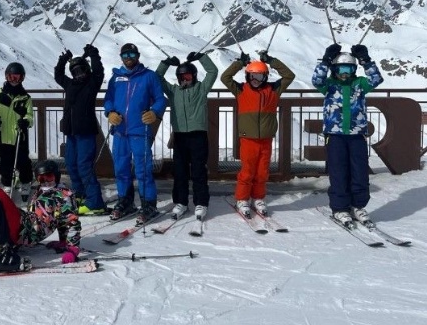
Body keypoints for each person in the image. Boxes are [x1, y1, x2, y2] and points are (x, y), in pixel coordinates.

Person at [312, 43, 383, 225]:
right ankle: (340, 208)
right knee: (339, 172)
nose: (345, 74)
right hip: (335, 136)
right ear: (335, 69)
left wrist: (366, 61)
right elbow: (317, 80)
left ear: (354, 70)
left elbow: (376, 79)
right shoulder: (329, 85)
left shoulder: (359, 84)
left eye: (349, 69)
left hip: (357, 136)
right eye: (341, 69)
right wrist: (326, 60)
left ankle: (358, 205)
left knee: (360, 172)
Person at [220, 51, 295, 217]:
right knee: (247, 171)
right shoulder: (241, 90)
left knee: (262, 172)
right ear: (247, 77)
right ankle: (242, 199)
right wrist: (240, 63)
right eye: (252, 76)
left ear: (265, 77)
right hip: (248, 139)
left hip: (266, 139)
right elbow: (225, 78)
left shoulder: (273, 90)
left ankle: (258, 198)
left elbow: (289, 75)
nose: (255, 80)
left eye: (259, 77)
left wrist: (271, 60)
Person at [103, 43, 167, 224]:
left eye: (132, 53)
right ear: (121, 57)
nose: (128, 57)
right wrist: (110, 113)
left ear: (138, 55)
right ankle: (125, 201)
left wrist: (154, 112)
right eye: (125, 54)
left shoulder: (149, 76)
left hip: (140, 130)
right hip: (121, 131)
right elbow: (108, 99)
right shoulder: (115, 78)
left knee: (143, 169)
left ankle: (149, 204)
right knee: (121, 169)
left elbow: (161, 99)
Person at [156, 51, 218, 221]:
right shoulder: (173, 91)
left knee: (198, 170)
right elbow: (157, 78)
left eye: (188, 75)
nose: (185, 79)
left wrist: (202, 58)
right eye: (181, 76)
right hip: (180, 137)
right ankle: (181, 202)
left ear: (194, 76)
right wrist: (166, 62)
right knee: (180, 171)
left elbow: (213, 72)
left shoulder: (201, 88)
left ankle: (201, 203)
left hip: (198, 136)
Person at [54, 44, 107, 215]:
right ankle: (81, 196)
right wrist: (62, 60)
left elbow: (99, 72)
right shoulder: (70, 84)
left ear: (87, 69)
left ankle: (95, 202)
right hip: (71, 132)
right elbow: (58, 75)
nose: (79, 74)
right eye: (75, 72)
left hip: (86, 132)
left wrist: (94, 55)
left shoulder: (92, 83)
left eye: (81, 70)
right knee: (71, 165)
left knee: (84, 166)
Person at [16, 160, 82, 263]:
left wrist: (73, 249)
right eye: (41, 178)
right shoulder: (40, 191)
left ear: (57, 176)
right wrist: (62, 242)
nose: (46, 181)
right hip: (27, 223)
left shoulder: (64, 196)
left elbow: (71, 221)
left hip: (29, 231)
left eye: (49, 177)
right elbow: (58, 218)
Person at [0, 61, 34, 202]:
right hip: (3, 135)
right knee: (6, 162)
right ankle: (7, 183)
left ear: (22, 78)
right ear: (6, 77)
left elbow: (30, 116)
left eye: (17, 77)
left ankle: (25, 182)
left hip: (20, 135)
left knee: (23, 161)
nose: (14, 80)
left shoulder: (25, 98)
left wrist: (25, 121)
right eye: (11, 77)